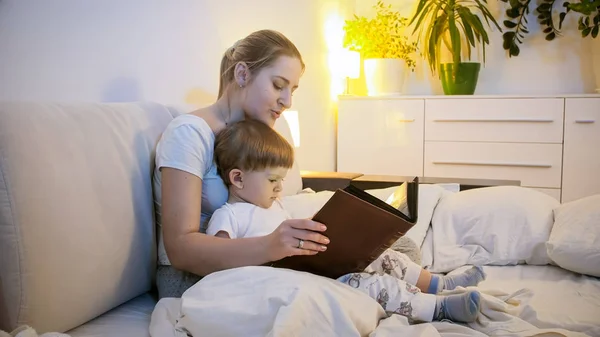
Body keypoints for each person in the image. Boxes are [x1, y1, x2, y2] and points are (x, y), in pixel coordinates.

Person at [206, 119, 486, 323]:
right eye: (272, 180)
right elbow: (220, 265)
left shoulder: (275, 206)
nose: (280, 188)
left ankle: (438, 284)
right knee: (369, 284)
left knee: (384, 256)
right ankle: (438, 309)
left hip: (314, 266)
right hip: (293, 282)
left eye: (281, 180)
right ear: (238, 178)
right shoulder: (228, 216)